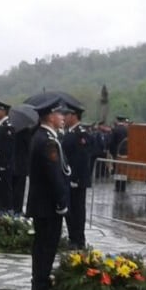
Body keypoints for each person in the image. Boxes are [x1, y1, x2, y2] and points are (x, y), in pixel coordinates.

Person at [25, 101, 70, 290]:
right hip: (47, 203)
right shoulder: (47, 140)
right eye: (60, 114)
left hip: (42, 202)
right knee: (47, 244)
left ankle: (41, 280)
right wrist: (61, 201)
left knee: (44, 243)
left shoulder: (43, 136)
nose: (63, 117)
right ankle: (41, 284)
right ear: (50, 116)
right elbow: (53, 175)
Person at [60, 102, 92, 249]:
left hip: (76, 180)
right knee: (70, 210)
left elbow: (82, 158)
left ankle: (78, 239)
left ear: (74, 116)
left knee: (77, 210)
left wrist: (76, 179)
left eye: (66, 115)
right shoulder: (70, 132)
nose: (64, 117)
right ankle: (73, 237)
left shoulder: (81, 133)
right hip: (68, 178)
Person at [0, 102, 16, 217]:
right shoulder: (0, 125)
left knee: (6, 189)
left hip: (5, 164)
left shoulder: (8, 127)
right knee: (0, 189)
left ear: (4, 111)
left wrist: (4, 164)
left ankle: (8, 211)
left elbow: (8, 148)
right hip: (0, 163)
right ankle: (2, 210)